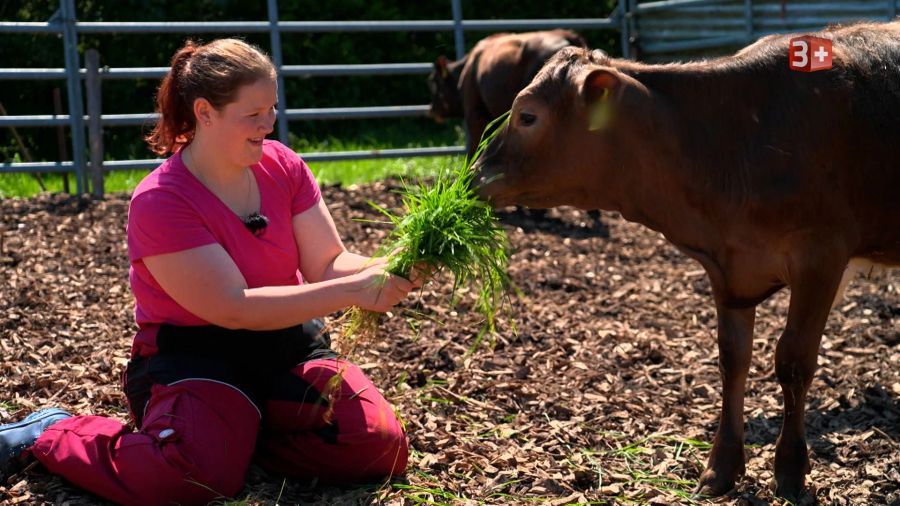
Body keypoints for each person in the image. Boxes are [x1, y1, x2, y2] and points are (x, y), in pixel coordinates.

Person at [0, 38, 422, 505]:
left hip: (288, 348)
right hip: (199, 358)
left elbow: (327, 262)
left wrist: (390, 265)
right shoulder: (162, 200)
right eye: (254, 113)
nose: (269, 123)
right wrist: (354, 290)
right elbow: (233, 307)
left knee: (377, 445)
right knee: (186, 479)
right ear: (205, 112)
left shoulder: (284, 166)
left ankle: (231, 444)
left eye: (273, 108)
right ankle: (53, 431)